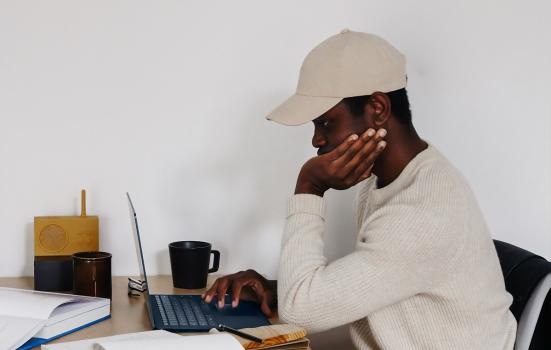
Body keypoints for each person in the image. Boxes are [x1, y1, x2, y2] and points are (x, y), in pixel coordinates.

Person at [203, 29, 517, 349]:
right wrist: (275, 290)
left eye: (325, 123)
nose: (316, 140)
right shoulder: (387, 179)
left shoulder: (422, 211)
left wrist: (309, 188)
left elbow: (303, 314)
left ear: (377, 108)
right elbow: (373, 285)